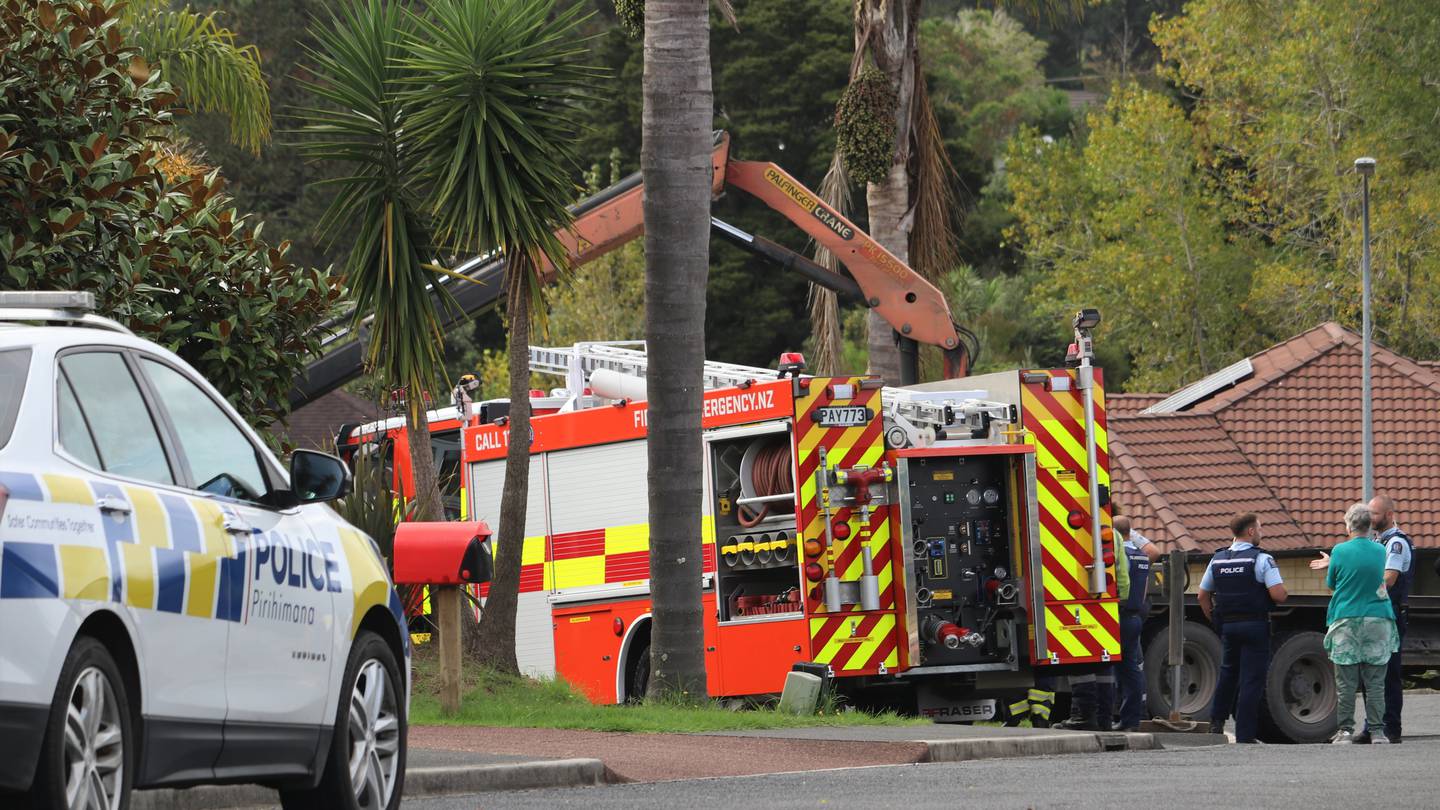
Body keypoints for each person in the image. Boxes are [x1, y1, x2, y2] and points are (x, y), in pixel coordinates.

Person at [1310, 494, 1413, 743]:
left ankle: (1345, 731)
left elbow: (1332, 582)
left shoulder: (1339, 551)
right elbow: (1383, 576)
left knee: (1346, 680)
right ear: (1368, 524)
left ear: (1348, 526)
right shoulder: (1381, 550)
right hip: (1379, 618)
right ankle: (1378, 731)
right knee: (1376, 680)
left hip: (1346, 617)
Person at [1198, 513, 1288, 744]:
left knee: (1228, 673)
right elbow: (1278, 595)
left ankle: (1216, 723)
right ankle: (1245, 735)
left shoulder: (1217, 559)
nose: (1261, 532)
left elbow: (1202, 595)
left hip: (1228, 625)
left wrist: (1215, 620)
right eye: (1259, 528)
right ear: (1250, 531)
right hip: (1255, 624)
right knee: (1251, 679)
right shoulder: (1261, 559)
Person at [1056, 523, 1130, 731]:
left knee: (1079, 659)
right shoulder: (1112, 533)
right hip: (1106, 599)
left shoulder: (1071, 529)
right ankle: (1104, 718)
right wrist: (1121, 597)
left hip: (1074, 597)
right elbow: (1121, 570)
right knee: (1103, 661)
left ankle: (1083, 716)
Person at [1115, 516, 1160, 731]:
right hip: (1134, 616)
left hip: (1120, 616)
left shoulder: (1120, 555)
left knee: (1114, 669)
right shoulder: (1141, 556)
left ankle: (1112, 717)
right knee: (1131, 669)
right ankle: (1131, 720)